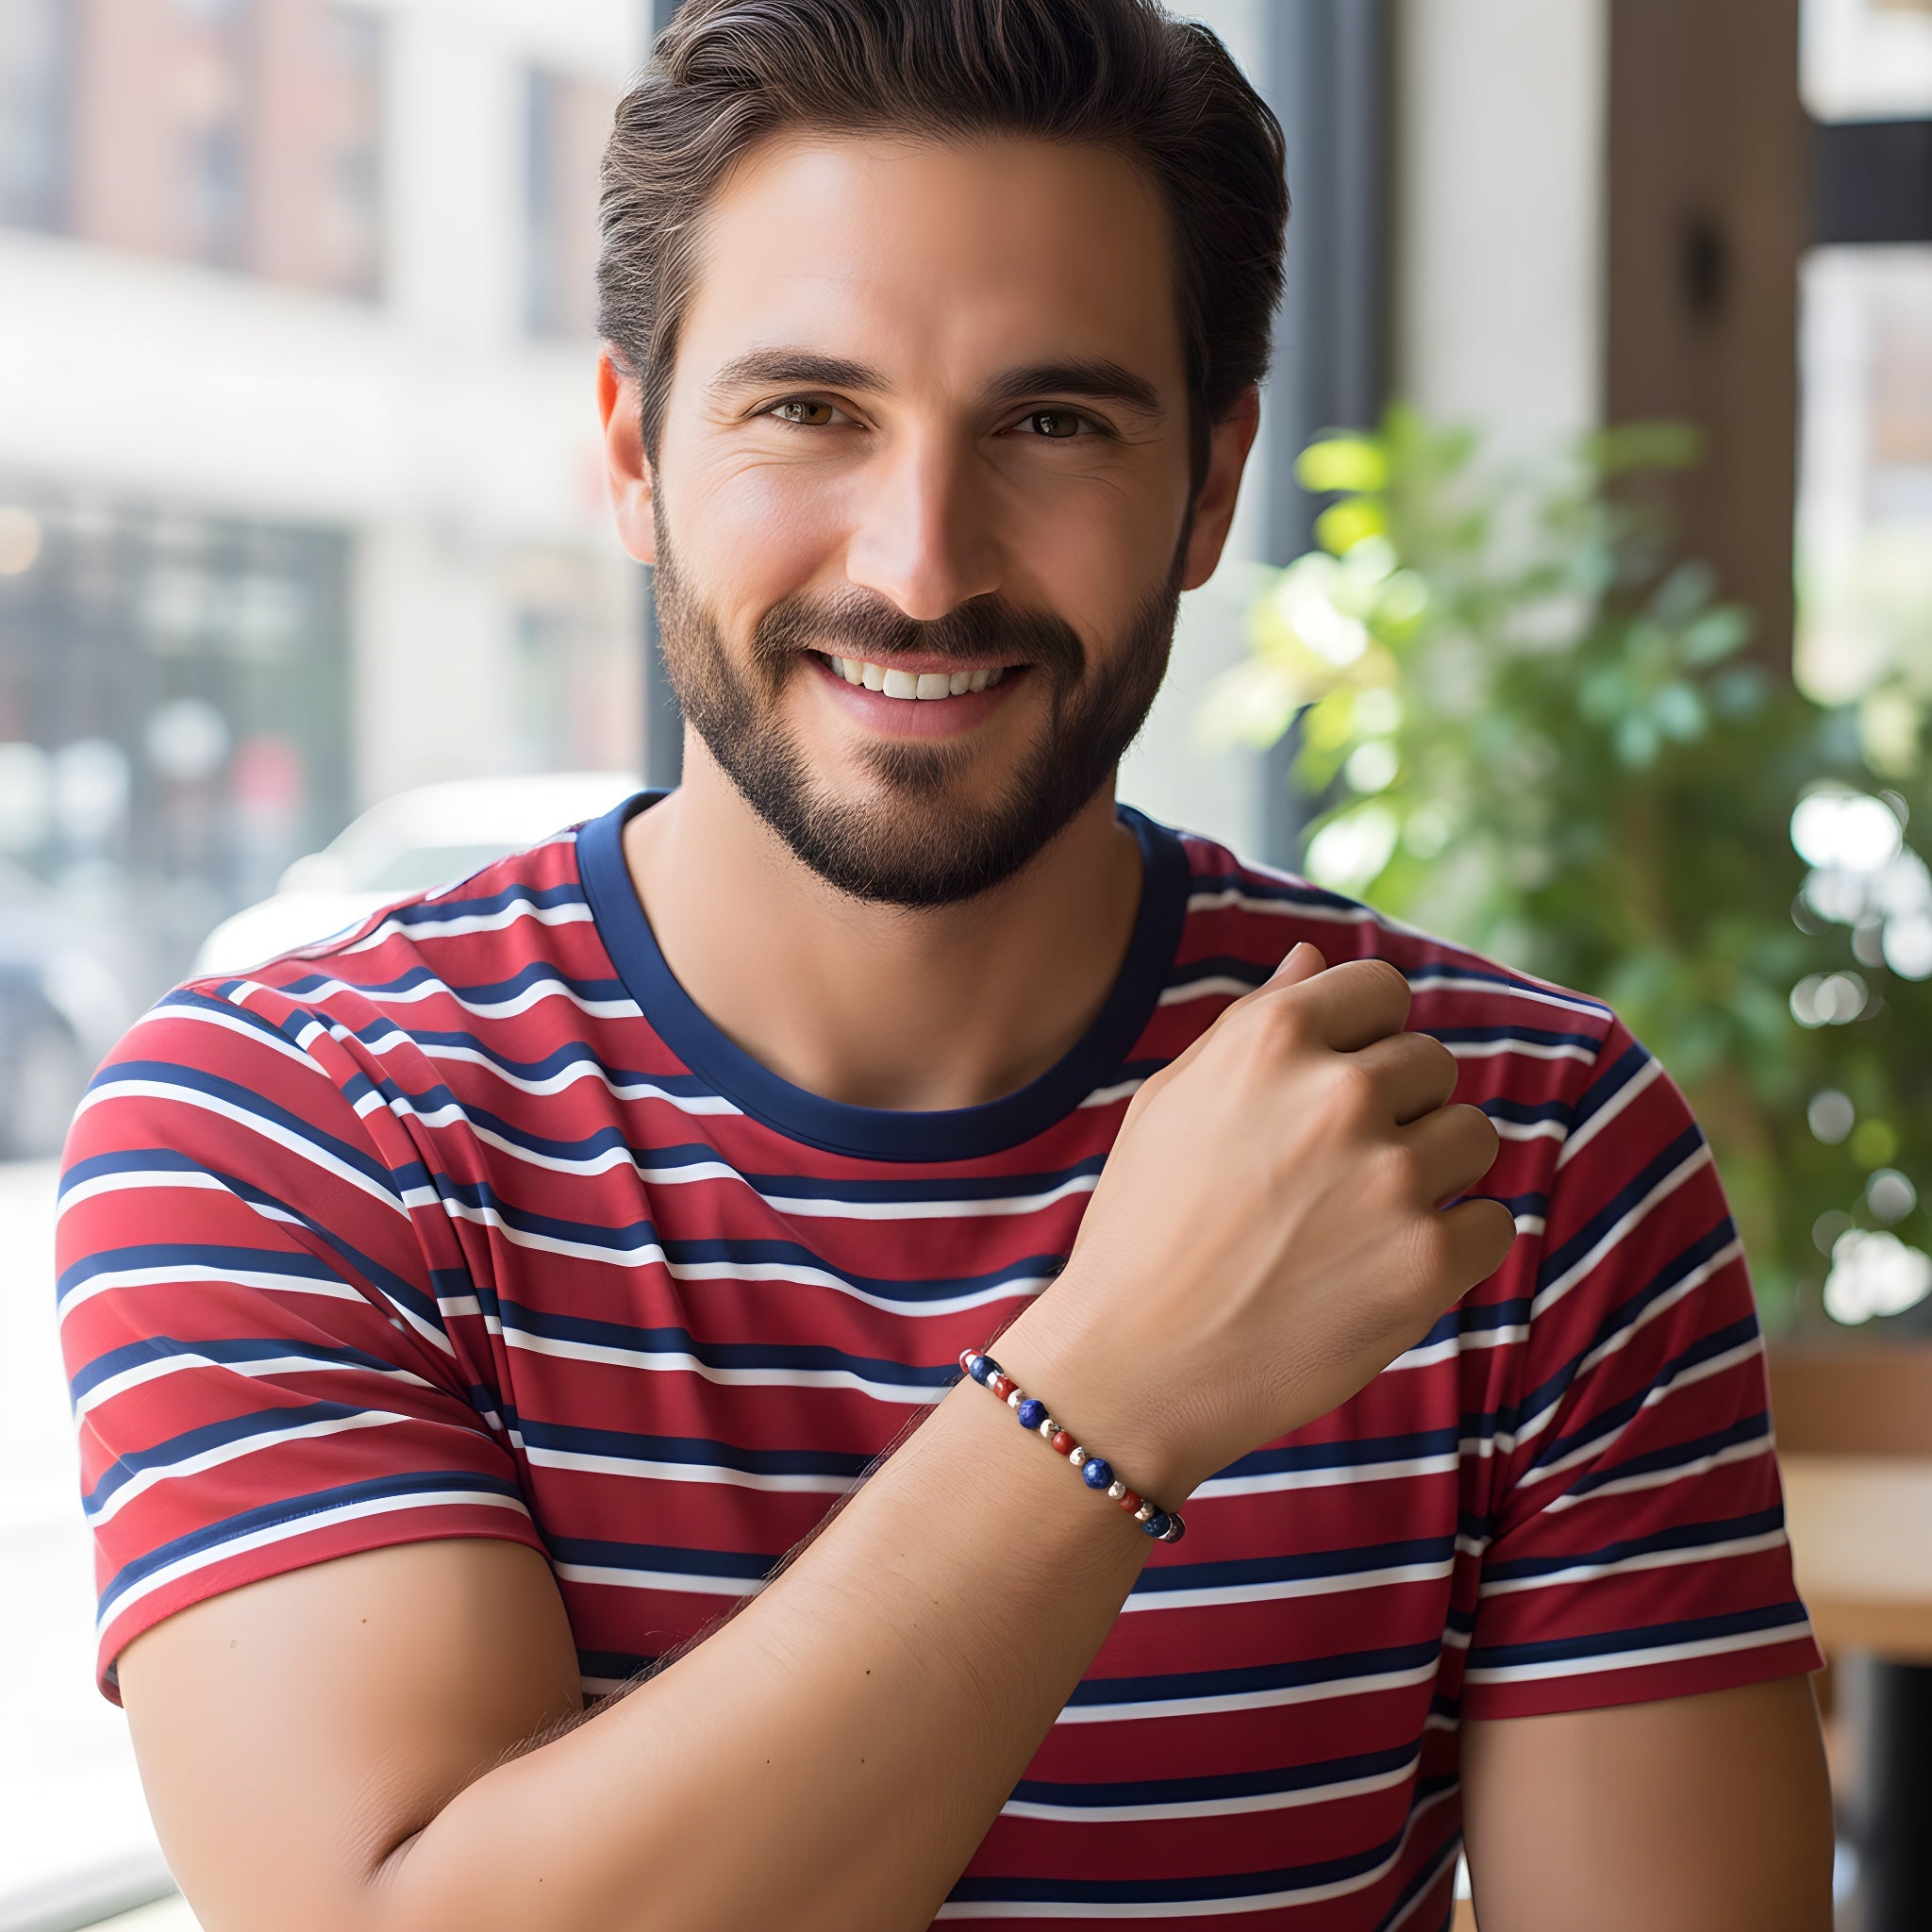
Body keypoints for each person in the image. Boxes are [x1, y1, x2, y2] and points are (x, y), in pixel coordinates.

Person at [57, 2, 1835, 1926]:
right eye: (809, 409)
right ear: (633, 452)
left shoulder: (1510, 1144)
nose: (919, 562)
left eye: (1052, 421)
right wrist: (1118, 1384)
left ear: (1211, 487)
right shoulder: (290, 1130)